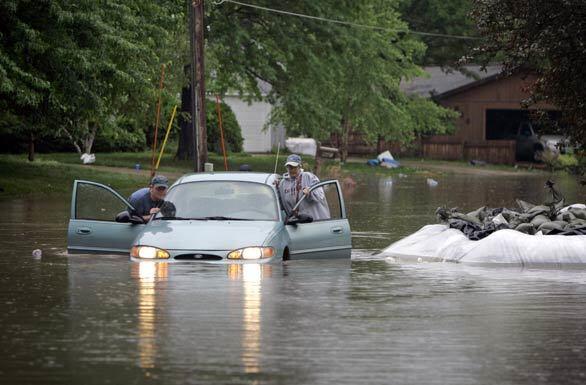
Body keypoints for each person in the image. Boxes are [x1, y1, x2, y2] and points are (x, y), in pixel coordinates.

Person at [277, 154, 330, 220]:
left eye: (294, 167)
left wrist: (310, 193)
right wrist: (275, 188)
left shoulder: (309, 177)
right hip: (295, 224)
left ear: (299, 166)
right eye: (289, 167)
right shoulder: (282, 183)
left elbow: (320, 196)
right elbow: (280, 206)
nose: (292, 170)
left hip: (315, 222)